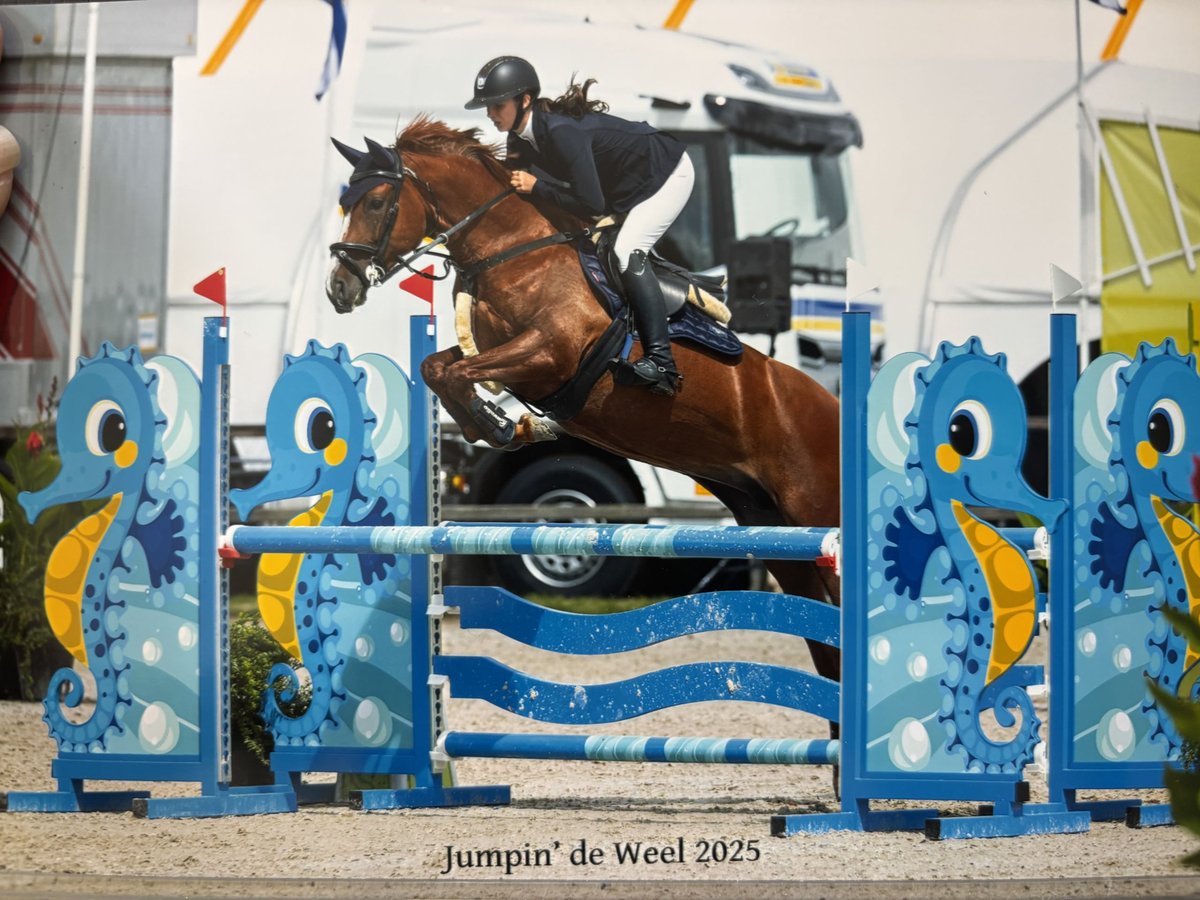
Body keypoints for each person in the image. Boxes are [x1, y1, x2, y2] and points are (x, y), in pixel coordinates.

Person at [466, 55, 694, 397]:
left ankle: (662, 363)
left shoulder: (562, 132)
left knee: (626, 251)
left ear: (524, 100)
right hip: (625, 186)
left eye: (497, 105)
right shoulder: (520, 138)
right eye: (488, 107)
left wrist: (538, 187)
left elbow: (591, 205)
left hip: (664, 175)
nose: (490, 114)